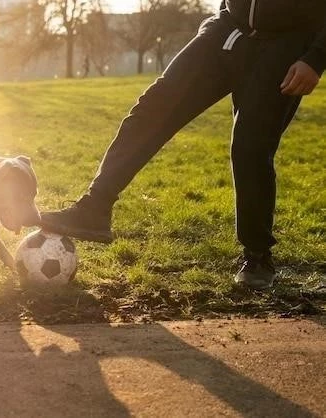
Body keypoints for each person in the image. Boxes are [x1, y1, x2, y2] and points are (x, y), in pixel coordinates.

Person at [40, 0, 325, 290]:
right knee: (154, 107)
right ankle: (94, 207)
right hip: (228, 29)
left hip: (287, 43)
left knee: (250, 146)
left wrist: (316, 56)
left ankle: (257, 256)